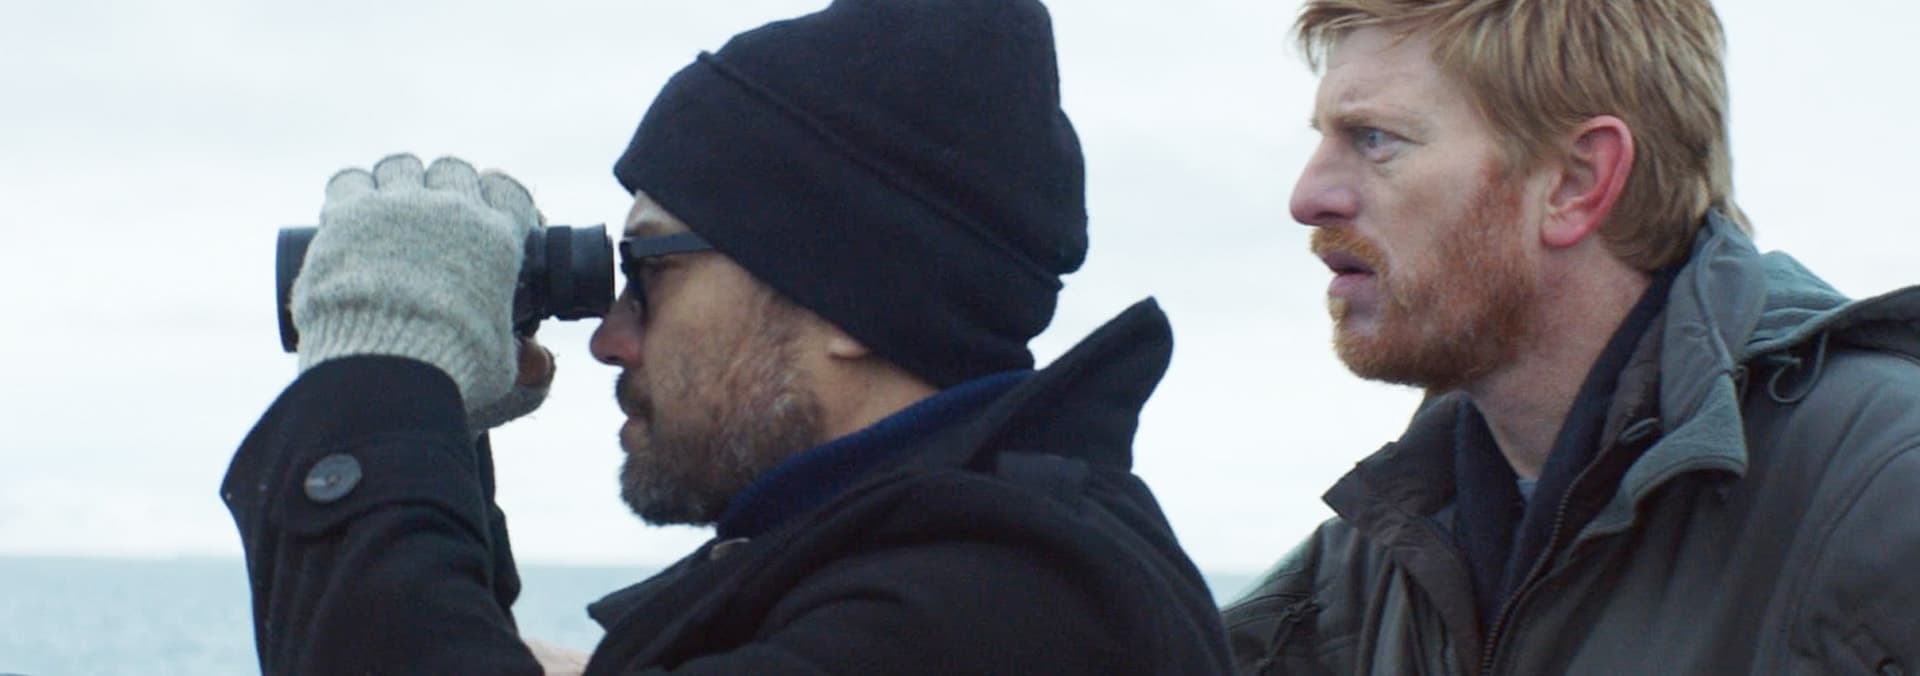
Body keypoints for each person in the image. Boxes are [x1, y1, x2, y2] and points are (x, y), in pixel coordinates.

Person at [221, 1, 1234, 674]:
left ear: (848, 297)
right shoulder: (943, 564)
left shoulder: (1001, 610)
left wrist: (381, 372)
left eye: (650, 272)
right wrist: (432, 419)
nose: (611, 339)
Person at [1223, 1, 1920, 673]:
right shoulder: (1380, 563)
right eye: (1322, 139)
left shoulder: (1884, 491)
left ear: (1575, 182)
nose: (1308, 197)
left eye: (1374, 140)